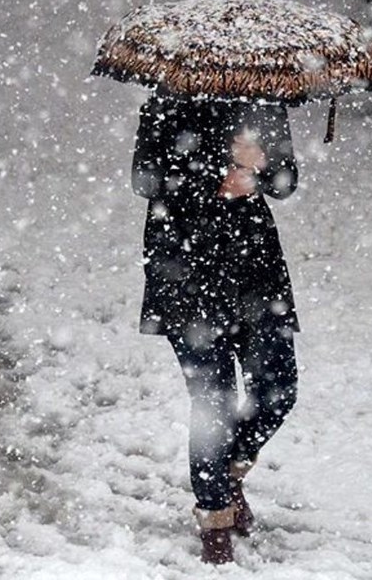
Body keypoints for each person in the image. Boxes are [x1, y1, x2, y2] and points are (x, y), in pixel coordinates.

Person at [131, 90, 300, 565]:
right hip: (185, 269)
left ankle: (226, 474)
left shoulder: (262, 99)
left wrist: (260, 167)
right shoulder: (166, 102)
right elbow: (145, 180)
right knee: (214, 403)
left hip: (255, 272)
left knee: (278, 388)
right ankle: (215, 521)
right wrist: (217, 173)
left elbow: (286, 182)